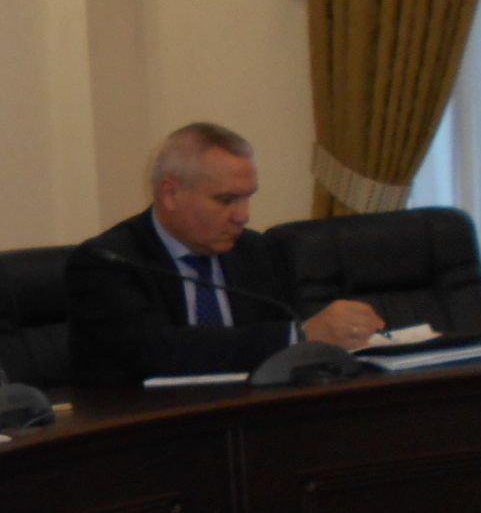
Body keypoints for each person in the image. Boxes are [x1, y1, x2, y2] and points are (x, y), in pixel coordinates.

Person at [66, 122, 385, 384]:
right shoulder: (106, 261)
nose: (243, 216)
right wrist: (297, 336)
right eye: (226, 200)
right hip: (152, 427)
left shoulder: (258, 251)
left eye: (248, 198)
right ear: (171, 193)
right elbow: (155, 352)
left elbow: (291, 332)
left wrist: (344, 333)